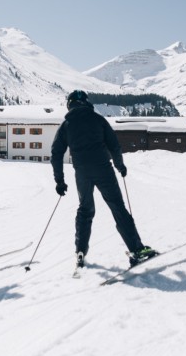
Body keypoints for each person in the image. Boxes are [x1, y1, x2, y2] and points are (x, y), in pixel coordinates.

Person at [51, 90, 156, 268]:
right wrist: (120, 166)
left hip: (82, 172)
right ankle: (136, 249)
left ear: (70, 104)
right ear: (86, 102)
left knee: (85, 210)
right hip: (103, 169)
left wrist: (59, 181)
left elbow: (56, 154)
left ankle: (80, 251)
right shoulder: (98, 119)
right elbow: (114, 145)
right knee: (117, 207)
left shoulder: (66, 125)